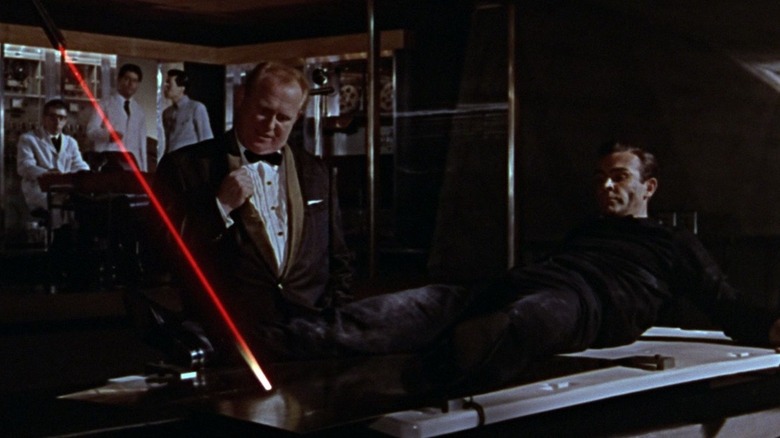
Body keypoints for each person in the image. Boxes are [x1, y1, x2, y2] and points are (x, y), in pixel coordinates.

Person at [17, 98, 90, 218]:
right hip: (40, 190)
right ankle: (59, 229)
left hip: (65, 189)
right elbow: (24, 167)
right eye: (52, 117)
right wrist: (47, 173)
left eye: (61, 118)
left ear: (66, 120)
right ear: (44, 118)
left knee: (87, 201)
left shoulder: (71, 142)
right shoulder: (28, 139)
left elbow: (79, 164)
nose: (57, 122)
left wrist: (87, 173)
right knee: (62, 203)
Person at [87, 63, 148, 171]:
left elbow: (142, 145)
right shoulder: (105, 104)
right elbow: (91, 131)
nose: (130, 84)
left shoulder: (139, 111)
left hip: (132, 166)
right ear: (119, 80)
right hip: (108, 163)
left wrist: (143, 170)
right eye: (127, 79)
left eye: (134, 81)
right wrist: (108, 135)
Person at [162, 69, 213, 155]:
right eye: (166, 83)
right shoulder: (166, 113)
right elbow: (168, 143)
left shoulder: (196, 108)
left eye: (169, 83)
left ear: (182, 88)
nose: (165, 86)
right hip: (172, 160)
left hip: (190, 160)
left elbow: (207, 141)